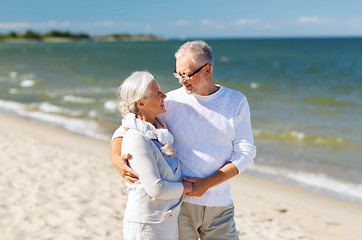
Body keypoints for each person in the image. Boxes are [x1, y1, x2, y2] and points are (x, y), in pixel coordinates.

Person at [112, 40, 256, 240]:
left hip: (220, 205)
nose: (181, 80)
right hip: (180, 206)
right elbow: (127, 126)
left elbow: (246, 153)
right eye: (177, 73)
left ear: (207, 70)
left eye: (186, 74)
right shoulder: (170, 101)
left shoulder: (235, 101)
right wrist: (115, 157)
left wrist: (207, 183)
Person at [111, 71, 193, 240]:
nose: (164, 96)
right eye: (157, 93)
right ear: (140, 102)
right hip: (146, 226)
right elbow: (156, 189)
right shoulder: (136, 137)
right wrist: (190, 187)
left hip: (165, 222)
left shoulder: (160, 132)